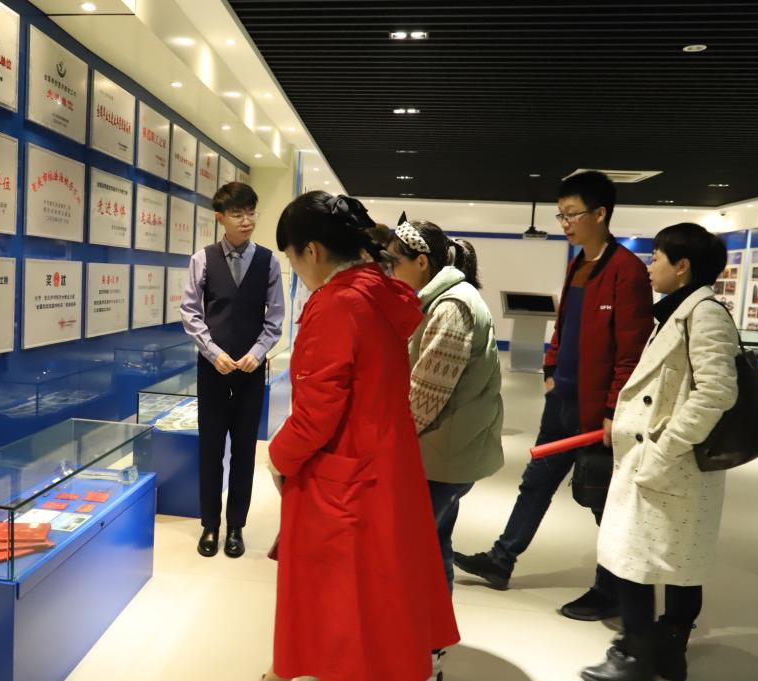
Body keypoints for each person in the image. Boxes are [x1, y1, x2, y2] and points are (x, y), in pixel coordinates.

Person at [263, 192, 459, 681]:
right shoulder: (379, 291)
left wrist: (278, 457)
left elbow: (317, 413)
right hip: (386, 462)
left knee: (340, 596)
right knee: (381, 588)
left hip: (344, 471)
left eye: (293, 258)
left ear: (311, 251)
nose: (296, 270)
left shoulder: (337, 304)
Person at [454, 170, 654, 621]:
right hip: (561, 399)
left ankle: (610, 588)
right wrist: (549, 370)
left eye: (572, 214)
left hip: (597, 410)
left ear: (600, 214)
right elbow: (564, 326)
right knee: (537, 482)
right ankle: (502, 558)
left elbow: (631, 351)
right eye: (560, 214)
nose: (565, 223)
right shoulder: (578, 263)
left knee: (601, 497)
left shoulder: (626, 271)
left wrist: (612, 410)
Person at [582, 224, 738, 681]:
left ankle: (640, 652)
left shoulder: (703, 314)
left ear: (682, 266)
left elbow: (716, 391)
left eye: (656, 258)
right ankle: (666, 652)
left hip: (672, 461)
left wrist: (665, 448)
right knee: (663, 557)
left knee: (647, 558)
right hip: (662, 462)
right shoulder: (678, 311)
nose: (649, 267)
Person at [387, 221, 504, 591]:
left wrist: (389, 443)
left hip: (441, 455)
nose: (390, 271)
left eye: (395, 262)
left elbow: (425, 398)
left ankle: (423, 623)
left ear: (421, 262)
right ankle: (434, 624)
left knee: (413, 550)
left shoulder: (452, 308)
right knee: (435, 544)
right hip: (445, 450)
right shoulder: (445, 300)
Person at [180, 182, 285, 558]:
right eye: (238, 214)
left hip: (251, 370)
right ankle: (210, 524)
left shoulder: (269, 261)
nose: (247, 221)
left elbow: (275, 317)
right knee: (210, 448)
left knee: (244, 450)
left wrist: (258, 352)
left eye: (251, 212)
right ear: (220, 218)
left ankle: (236, 525)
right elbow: (190, 312)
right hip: (212, 369)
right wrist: (212, 353)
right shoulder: (203, 259)